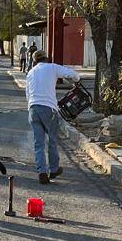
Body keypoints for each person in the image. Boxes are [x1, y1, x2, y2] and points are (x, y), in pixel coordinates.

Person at [25, 49, 80, 184]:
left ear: (34, 61)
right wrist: (77, 79)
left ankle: (42, 171)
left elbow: (27, 94)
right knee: (52, 140)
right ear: (46, 58)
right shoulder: (52, 68)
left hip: (33, 109)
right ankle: (54, 169)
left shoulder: (30, 73)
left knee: (38, 143)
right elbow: (72, 74)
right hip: (48, 108)